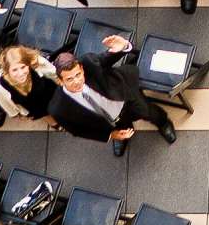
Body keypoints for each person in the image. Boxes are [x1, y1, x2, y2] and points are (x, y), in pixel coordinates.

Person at [49, 39, 178, 147]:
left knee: (148, 111)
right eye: (69, 79)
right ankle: (122, 136)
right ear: (60, 81)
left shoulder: (88, 63)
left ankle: (163, 122)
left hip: (124, 96)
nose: (77, 81)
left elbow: (106, 58)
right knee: (122, 128)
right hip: (109, 120)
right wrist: (110, 135)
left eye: (78, 74)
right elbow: (78, 130)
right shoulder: (58, 109)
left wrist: (124, 47)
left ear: (82, 69)